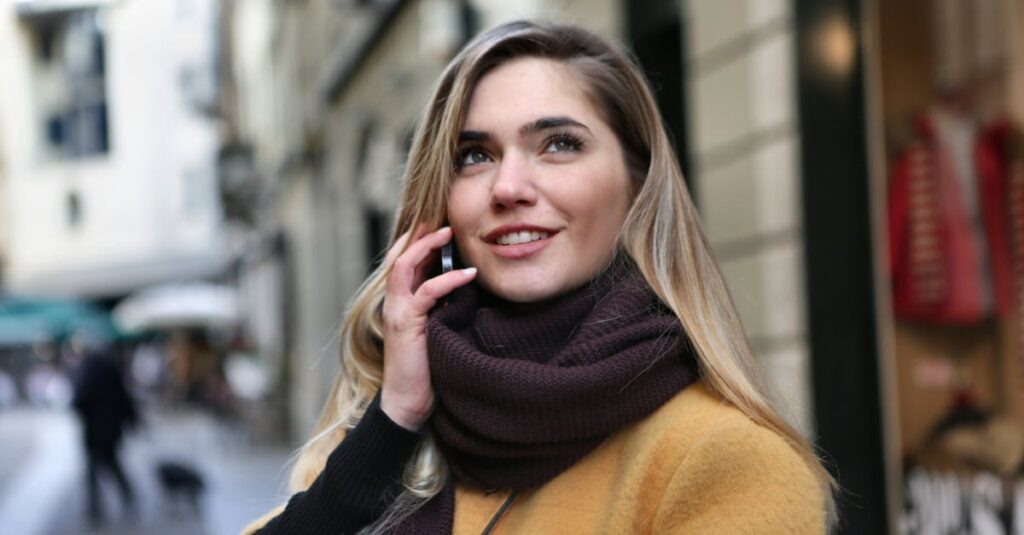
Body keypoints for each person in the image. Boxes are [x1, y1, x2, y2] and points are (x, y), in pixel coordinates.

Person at [245, 20, 835, 534]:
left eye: (558, 144)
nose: (508, 188)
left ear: (638, 184)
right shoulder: (385, 437)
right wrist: (395, 418)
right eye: (474, 155)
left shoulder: (723, 464)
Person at [71, 345, 139, 525]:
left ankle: (95, 508)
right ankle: (127, 497)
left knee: (94, 470)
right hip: (111, 429)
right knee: (112, 465)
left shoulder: (89, 371)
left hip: (94, 430)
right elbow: (125, 399)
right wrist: (132, 421)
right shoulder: (112, 370)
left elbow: (79, 401)